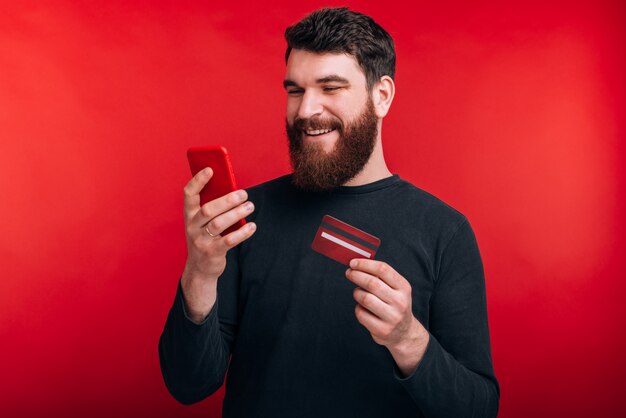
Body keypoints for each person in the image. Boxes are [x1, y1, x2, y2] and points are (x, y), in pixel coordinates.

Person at [159, 7, 499, 417]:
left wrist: (407, 338)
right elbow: (188, 384)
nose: (305, 111)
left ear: (382, 95)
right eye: (295, 90)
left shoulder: (445, 232)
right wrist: (199, 272)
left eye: (331, 87)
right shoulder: (245, 217)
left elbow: (478, 409)